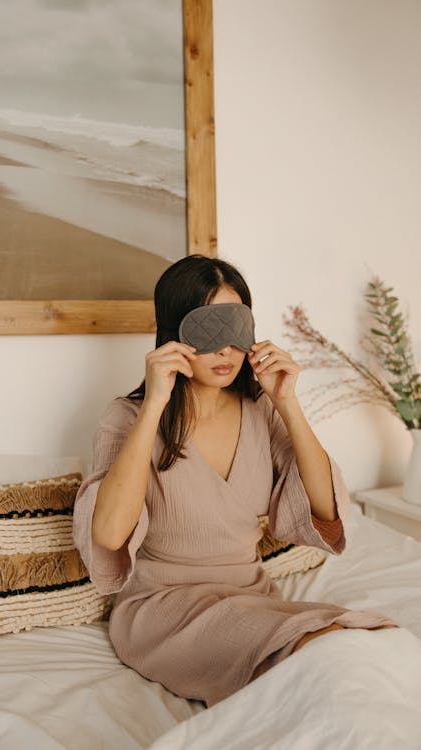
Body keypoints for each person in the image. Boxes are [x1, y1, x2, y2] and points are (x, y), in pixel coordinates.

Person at [73, 254, 398, 708]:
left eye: (234, 330)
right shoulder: (125, 418)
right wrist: (153, 407)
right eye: (208, 331)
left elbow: (325, 509)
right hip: (164, 611)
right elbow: (108, 533)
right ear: (174, 334)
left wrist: (287, 402)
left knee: (374, 640)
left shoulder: (262, 412)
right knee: (320, 653)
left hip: (250, 597)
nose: (224, 351)